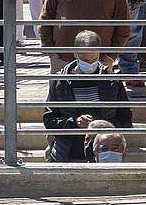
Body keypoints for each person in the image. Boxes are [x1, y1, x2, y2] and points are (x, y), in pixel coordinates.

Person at [43, 30, 132, 162]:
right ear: (75, 54)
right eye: (85, 59)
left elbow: (126, 118)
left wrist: (105, 127)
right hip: (68, 153)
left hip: (103, 155)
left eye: (94, 59)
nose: (90, 63)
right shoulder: (60, 82)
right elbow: (49, 120)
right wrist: (75, 123)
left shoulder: (112, 81)